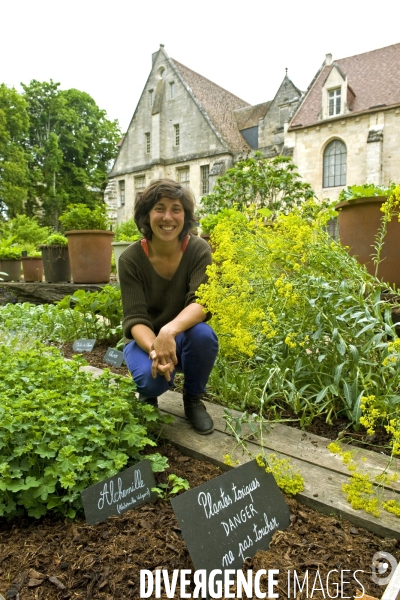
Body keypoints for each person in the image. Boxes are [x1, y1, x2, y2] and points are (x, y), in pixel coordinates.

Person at [119, 178, 218, 435]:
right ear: (146, 215)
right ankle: (148, 399)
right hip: (145, 343)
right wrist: (156, 350)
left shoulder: (198, 250)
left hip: (184, 340)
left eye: (176, 209)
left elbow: (203, 302)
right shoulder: (130, 259)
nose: (168, 217)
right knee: (152, 383)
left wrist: (169, 331)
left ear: (185, 216)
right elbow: (135, 318)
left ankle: (193, 400)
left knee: (204, 335)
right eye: (159, 208)